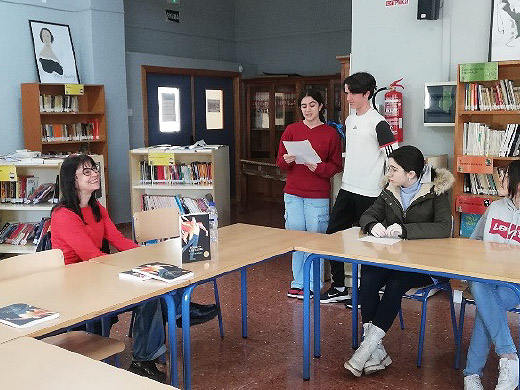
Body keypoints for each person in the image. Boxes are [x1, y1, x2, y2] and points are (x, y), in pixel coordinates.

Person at [50, 154, 218, 381]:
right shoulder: (63, 215)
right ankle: (174, 317)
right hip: (79, 284)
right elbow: (91, 255)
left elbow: (118, 240)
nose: (95, 174)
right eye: (86, 172)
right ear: (72, 180)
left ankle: (145, 357)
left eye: (94, 169)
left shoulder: (96, 207)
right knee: (149, 292)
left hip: (99, 273)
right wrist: (135, 267)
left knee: (156, 285)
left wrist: (149, 256)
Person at [344, 145, 453, 377]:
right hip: (394, 258)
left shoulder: (437, 190)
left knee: (395, 283)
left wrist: (405, 230)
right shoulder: (390, 188)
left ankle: (366, 349)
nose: (389, 174)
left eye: (393, 169)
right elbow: (368, 215)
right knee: (370, 276)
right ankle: (374, 348)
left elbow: (444, 228)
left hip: (426, 263)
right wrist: (373, 225)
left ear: (411, 174)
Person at [321, 72, 398, 305]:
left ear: (366, 93)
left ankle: (368, 293)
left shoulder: (379, 123)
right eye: (346, 93)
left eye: (353, 93)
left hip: (371, 194)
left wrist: (391, 190)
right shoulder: (350, 120)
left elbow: (393, 159)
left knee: (369, 243)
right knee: (333, 235)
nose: (349, 98)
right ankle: (339, 287)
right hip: (347, 188)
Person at [276, 89, 342, 299]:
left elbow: (336, 165)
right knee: (296, 239)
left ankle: (313, 284)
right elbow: (279, 162)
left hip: (317, 195)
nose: (308, 110)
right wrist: (285, 161)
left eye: (312, 105)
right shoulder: (291, 130)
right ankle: (297, 282)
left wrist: (319, 168)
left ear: (321, 106)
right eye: (304, 106)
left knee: (315, 240)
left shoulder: (330, 133)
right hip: (293, 193)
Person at [463, 160, 520, 390]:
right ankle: (509, 358)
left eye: (505, 175)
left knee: (485, 308)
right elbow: (474, 243)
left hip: (514, 284)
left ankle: (471, 374)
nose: (502, 179)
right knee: (481, 287)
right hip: (485, 277)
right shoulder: (495, 208)